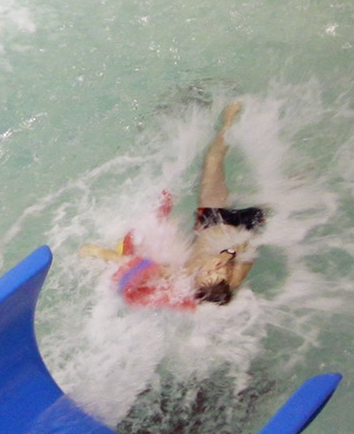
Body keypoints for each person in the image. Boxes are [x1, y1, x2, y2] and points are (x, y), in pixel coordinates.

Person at [86, 101, 266, 308]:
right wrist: (228, 255)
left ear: (196, 282)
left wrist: (98, 253)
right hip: (245, 223)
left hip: (211, 221)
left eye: (208, 272)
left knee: (212, 161)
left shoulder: (183, 275)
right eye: (219, 272)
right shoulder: (232, 279)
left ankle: (227, 119)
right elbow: (248, 246)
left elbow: (140, 267)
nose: (215, 268)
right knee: (263, 199)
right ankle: (231, 120)